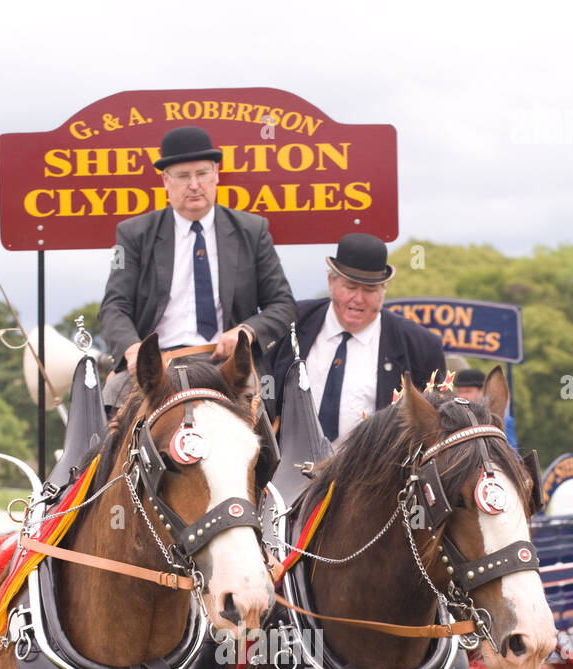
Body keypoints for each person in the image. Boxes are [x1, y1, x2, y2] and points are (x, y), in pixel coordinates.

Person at [99, 125, 296, 409]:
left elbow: (283, 304)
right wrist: (133, 349)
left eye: (202, 174)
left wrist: (246, 332)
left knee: (262, 411)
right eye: (182, 176)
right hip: (158, 366)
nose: (194, 184)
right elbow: (113, 307)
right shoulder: (134, 235)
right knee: (112, 398)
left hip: (227, 365)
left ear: (216, 175)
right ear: (166, 181)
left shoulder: (252, 231)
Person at [271, 233, 447, 445]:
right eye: (351, 287)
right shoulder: (289, 323)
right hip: (288, 469)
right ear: (331, 282)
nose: (358, 299)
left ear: (383, 291)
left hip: (374, 474)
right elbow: (261, 387)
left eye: (370, 289)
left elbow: (436, 427)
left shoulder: (421, 347)